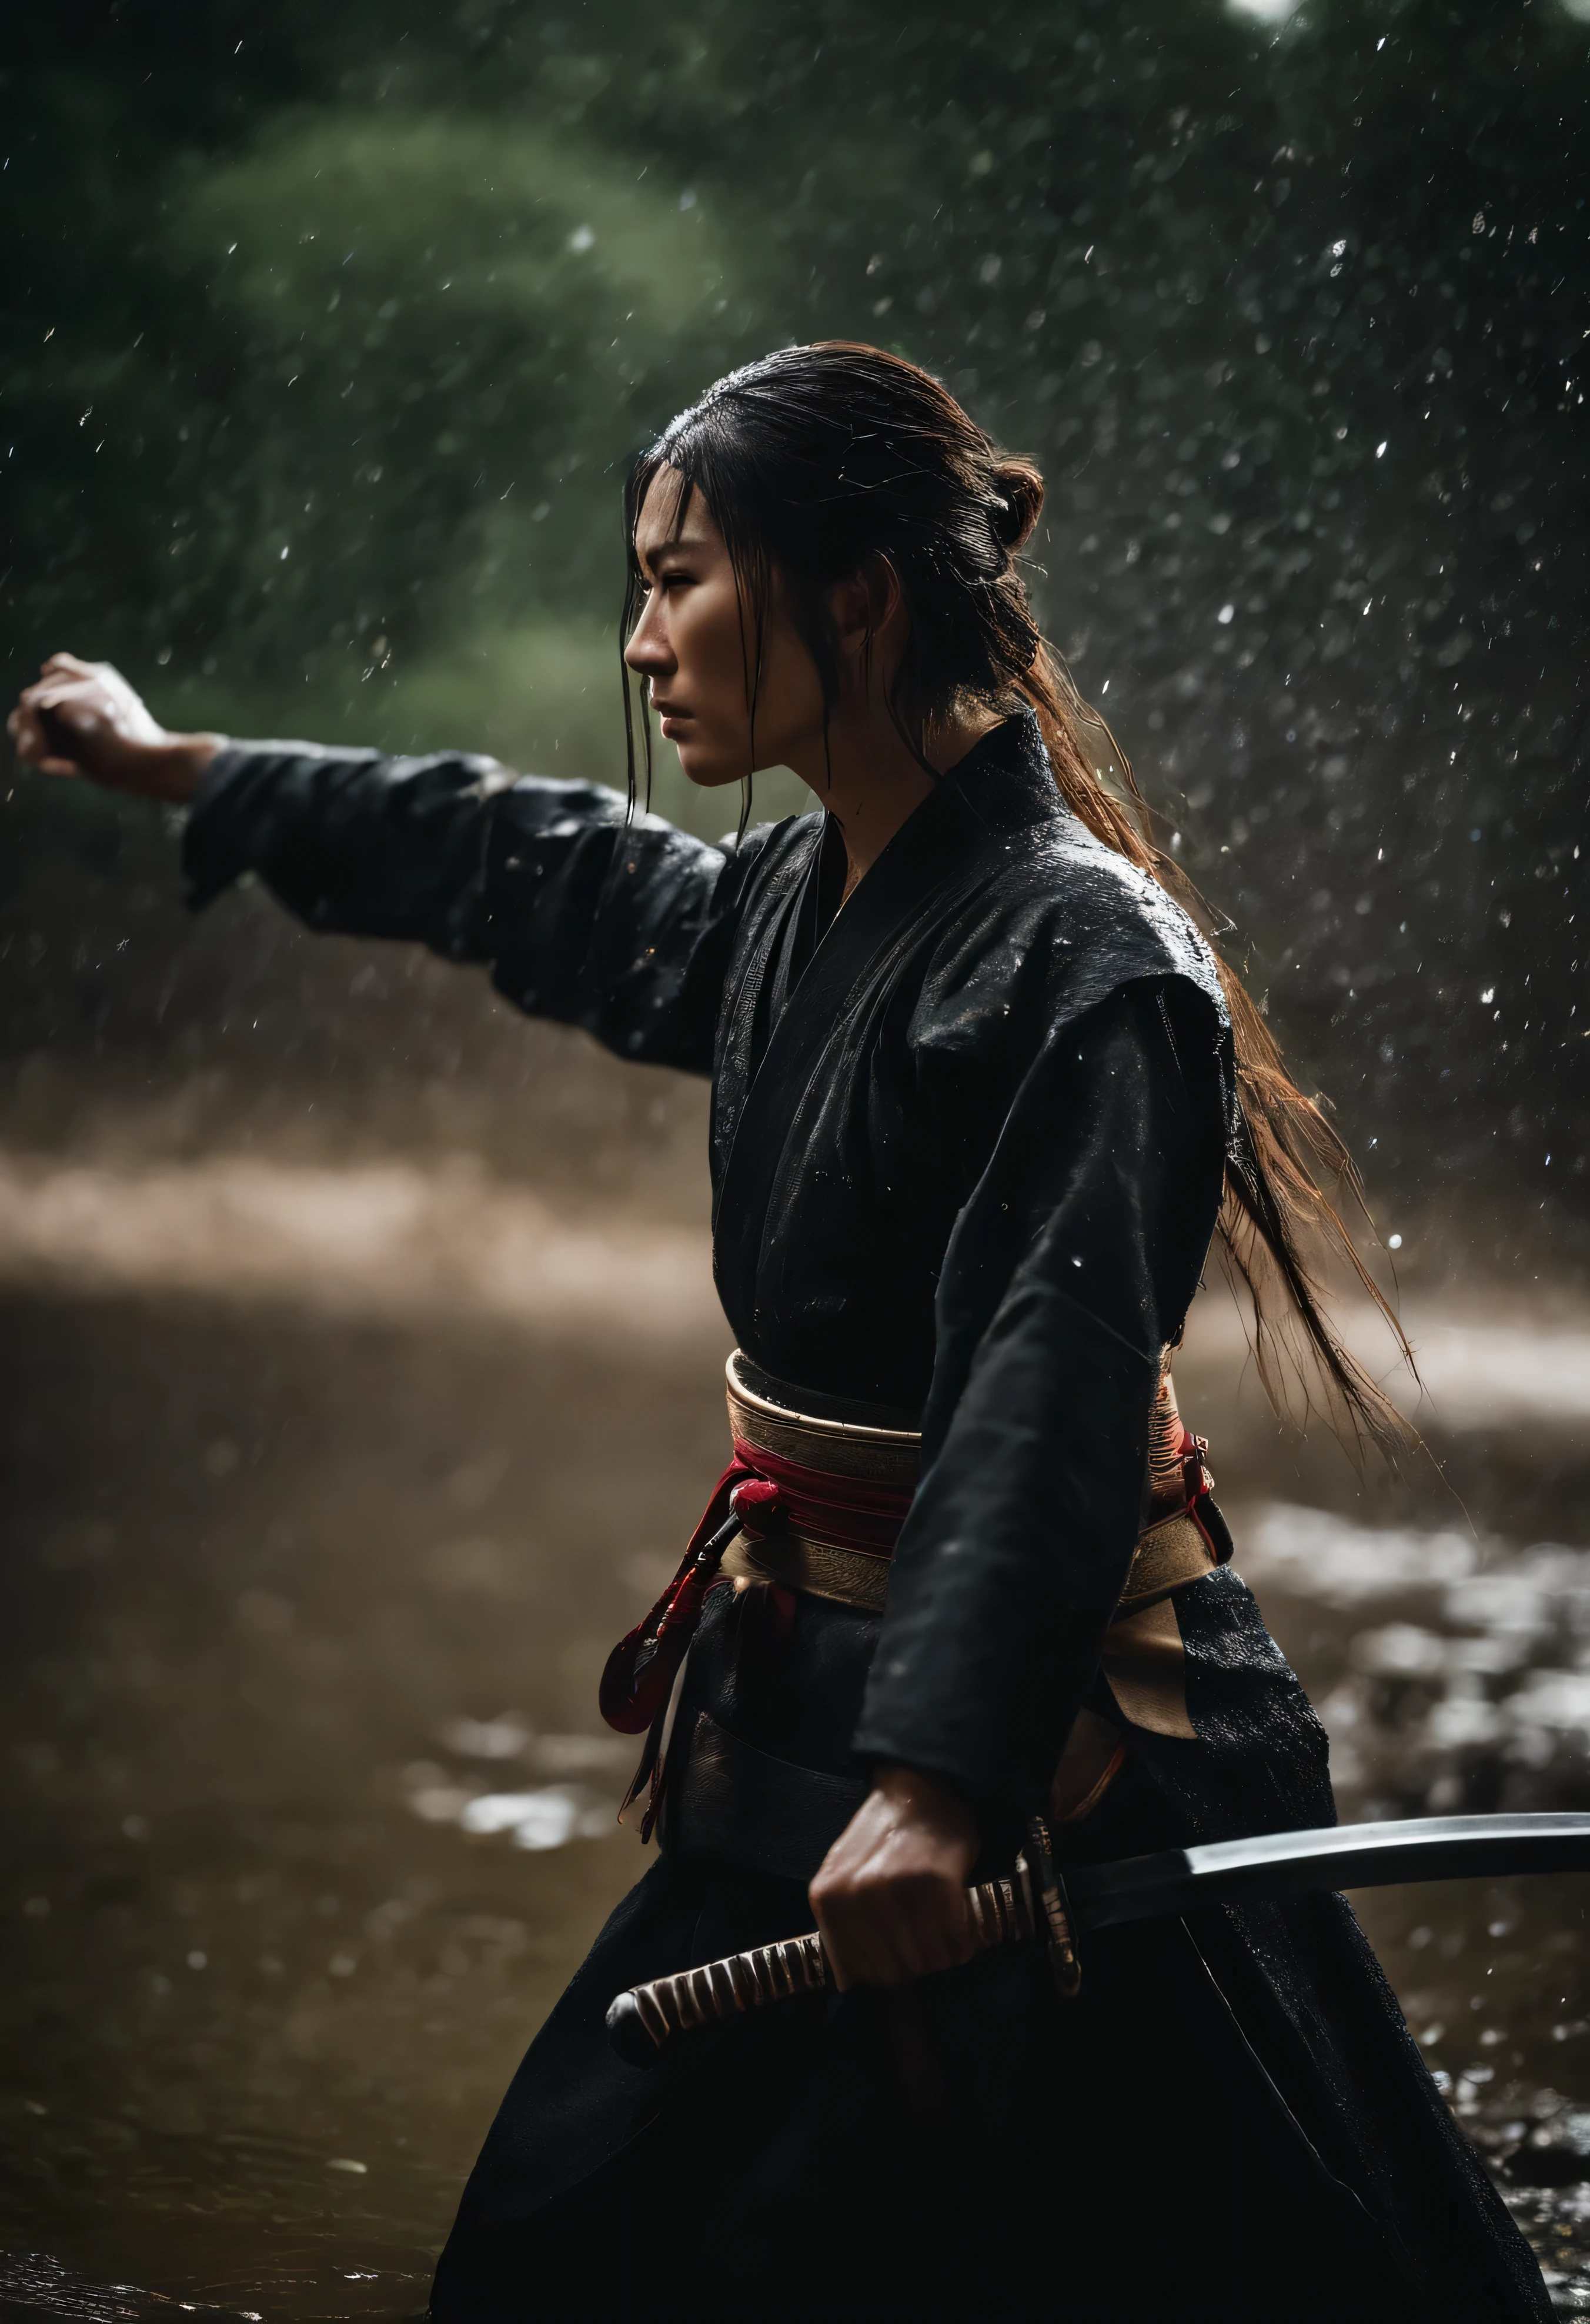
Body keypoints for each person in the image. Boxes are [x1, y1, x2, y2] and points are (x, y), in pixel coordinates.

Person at [9, 343, 1549, 2323]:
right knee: (565, 2252)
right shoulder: (789, 911)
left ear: (859, 597)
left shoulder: (1084, 959)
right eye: (641, 587)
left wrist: (935, 1777)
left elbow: (1048, 1387)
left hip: (1064, 1764)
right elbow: (515, 861)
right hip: (805, 1739)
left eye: (680, 580)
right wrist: (192, 773)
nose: (642, 640)